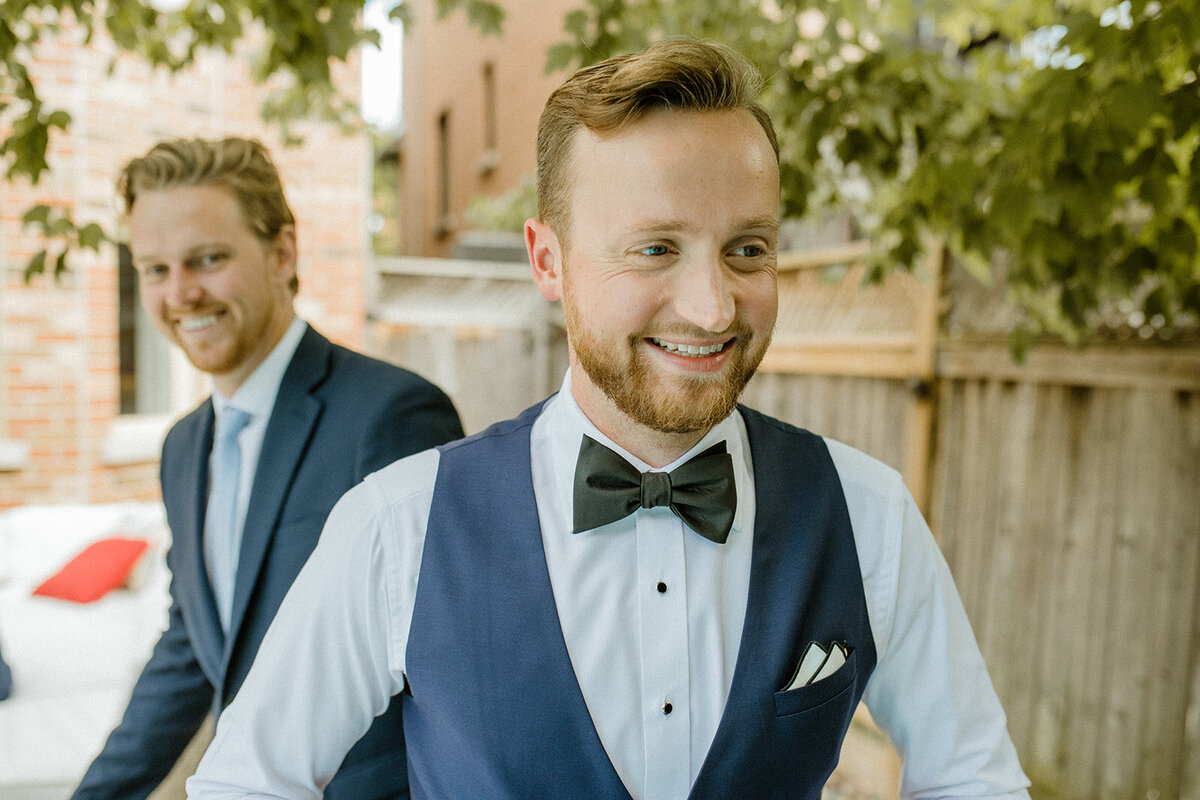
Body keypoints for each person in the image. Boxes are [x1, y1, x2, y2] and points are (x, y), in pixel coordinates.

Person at [187, 42, 1031, 799]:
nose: (711, 308)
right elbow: (245, 782)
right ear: (547, 261)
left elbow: (974, 780)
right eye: (655, 248)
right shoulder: (395, 527)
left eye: (748, 249)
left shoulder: (868, 515)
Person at [73, 137, 463, 799]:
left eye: (208, 259)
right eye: (155, 269)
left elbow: (453, 665)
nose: (181, 293)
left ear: (283, 253)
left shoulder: (391, 416)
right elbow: (195, 647)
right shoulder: (182, 450)